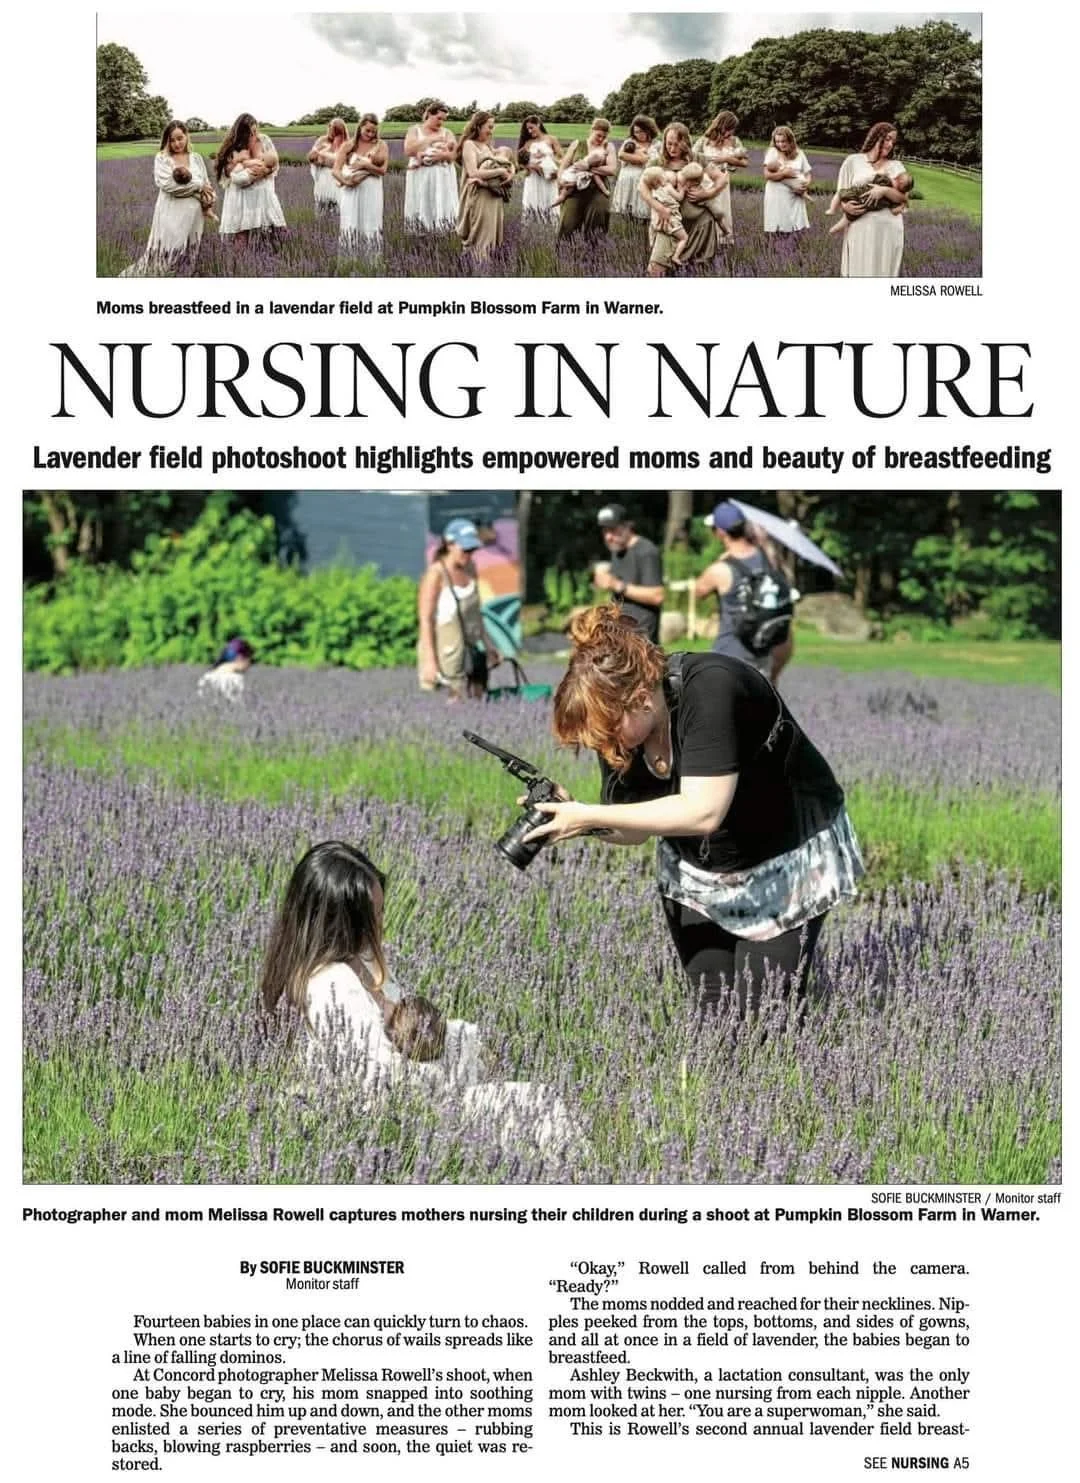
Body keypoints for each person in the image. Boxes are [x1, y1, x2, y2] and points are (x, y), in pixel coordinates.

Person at [523, 608, 864, 1020]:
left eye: (608, 733)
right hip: (698, 874)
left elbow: (704, 811)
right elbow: (631, 829)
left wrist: (587, 813)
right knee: (712, 1012)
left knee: (766, 1018)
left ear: (641, 699)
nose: (606, 748)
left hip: (783, 864)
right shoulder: (618, 734)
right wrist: (574, 818)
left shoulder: (712, 689)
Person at [261, 842, 579, 1154]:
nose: (381, 924)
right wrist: (461, 1066)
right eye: (374, 914)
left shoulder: (365, 961)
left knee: (535, 1104)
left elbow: (413, 1038)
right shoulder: (331, 984)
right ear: (342, 921)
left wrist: (474, 1043)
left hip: (424, 1105)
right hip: (390, 1126)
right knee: (538, 1105)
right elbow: (381, 1084)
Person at [694, 501, 795, 686]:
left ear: (721, 533)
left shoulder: (720, 569)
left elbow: (698, 591)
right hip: (763, 657)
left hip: (727, 659)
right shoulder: (770, 562)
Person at [417, 518, 500, 700]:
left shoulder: (471, 569)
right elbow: (426, 620)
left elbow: (475, 614)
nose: (469, 554)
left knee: (476, 703)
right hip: (445, 655)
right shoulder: (435, 575)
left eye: (472, 550)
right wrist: (429, 662)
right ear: (449, 544)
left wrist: (489, 645)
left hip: (470, 653)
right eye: (466, 549)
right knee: (449, 708)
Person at [120, 120, 216, 276]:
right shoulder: (162, 158)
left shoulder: (196, 158)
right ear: (167, 141)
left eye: (180, 138)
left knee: (189, 255)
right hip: (171, 213)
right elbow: (169, 186)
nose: (177, 143)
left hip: (194, 216)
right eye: (172, 140)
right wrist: (198, 187)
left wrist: (209, 199)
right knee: (167, 255)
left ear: (186, 136)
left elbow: (207, 183)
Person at [639, 123, 725, 276]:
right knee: (656, 268)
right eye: (669, 144)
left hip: (700, 223)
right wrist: (660, 209)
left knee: (698, 270)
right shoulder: (657, 163)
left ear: (685, 142)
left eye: (676, 144)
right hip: (670, 223)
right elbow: (642, 188)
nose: (672, 149)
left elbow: (721, 179)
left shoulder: (697, 158)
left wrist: (707, 194)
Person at [833, 122, 911, 278]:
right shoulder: (853, 161)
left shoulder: (897, 166)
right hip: (860, 227)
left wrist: (884, 190)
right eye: (887, 139)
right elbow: (842, 192)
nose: (890, 145)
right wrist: (845, 207)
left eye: (893, 142)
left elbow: (904, 199)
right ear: (876, 136)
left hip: (889, 229)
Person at [593, 504, 664, 644]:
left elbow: (657, 596)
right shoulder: (617, 550)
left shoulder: (646, 552)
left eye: (613, 530)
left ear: (628, 527)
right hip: (619, 638)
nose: (608, 537)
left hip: (642, 642)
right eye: (605, 531)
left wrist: (617, 585)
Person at [215, 113, 286, 240]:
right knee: (242, 235)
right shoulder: (233, 146)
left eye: (254, 131)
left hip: (263, 194)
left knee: (276, 232)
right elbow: (226, 173)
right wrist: (239, 162)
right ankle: (240, 260)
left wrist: (264, 171)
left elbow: (275, 163)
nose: (253, 135)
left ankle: (278, 256)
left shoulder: (264, 140)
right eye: (249, 133)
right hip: (241, 196)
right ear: (241, 133)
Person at [456, 112, 510, 260]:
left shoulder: (487, 146)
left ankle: (488, 268)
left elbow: (503, 164)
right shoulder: (469, 145)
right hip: (479, 196)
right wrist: (500, 171)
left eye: (493, 128)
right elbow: (473, 172)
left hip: (492, 195)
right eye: (489, 127)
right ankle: (476, 269)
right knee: (480, 236)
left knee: (492, 237)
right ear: (478, 126)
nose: (491, 131)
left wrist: (508, 174)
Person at [333, 113, 388, 255]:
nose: (370, 134)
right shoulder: (348, 145)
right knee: (350, 224)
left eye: (373, 132)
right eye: (367, 131)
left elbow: (382, 171)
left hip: (372, 191)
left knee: (371, 223)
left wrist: (365, 165)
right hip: (351, 191)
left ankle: (371, 264)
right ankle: (349, 263)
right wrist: (347, 181)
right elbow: (335, 171)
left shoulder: (381, 145)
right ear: (360, 127)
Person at [556, 118, 617, 239]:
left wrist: (588, 167)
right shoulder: (577, 144)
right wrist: (561, 181)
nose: (601, 139)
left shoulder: (608, 146)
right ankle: (566, 255)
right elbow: (562, 167)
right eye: (598, 135)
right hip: (574, 190)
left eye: (604, 137)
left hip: (597, 190)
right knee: (568, 224)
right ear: (592, 130)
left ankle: (594, 256)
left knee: (597, 224)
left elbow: (612, 170)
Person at [403, 102, 458, 231]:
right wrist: (431, 140)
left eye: (444, 119)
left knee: (441, 204)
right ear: (429, 114)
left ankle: (443, 234)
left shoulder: (447, 133)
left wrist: (441, 156)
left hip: (442, 177)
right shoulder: (414, 130)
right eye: (439, 118)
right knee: (422, 204)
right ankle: (422, 234)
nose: (441, 122)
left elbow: (454, 155)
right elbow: (409, 150)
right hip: (420, 176)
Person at [694, 110, 748, 241]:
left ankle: (722, 242)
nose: (731, 132)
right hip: (706, 182)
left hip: (723, 182)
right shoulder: (704, 140)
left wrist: (727, 158)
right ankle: (706, 242)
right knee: (707, 212)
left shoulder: (734, 141)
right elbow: (692, 157)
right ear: (722, 125)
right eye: (730, 129)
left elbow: (745, 162)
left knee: (722, 212)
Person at [762, 126, 812, 234]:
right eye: (777, 141)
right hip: (777, 196)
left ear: (790, 140)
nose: (780, 144)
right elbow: (766, 175)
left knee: (795, 228)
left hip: (796, 196)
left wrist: (805, 185)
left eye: (783, 141)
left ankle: (793, 249)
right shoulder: (773, 152)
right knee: (777, 227)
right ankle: (775, 249)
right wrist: (783, 174)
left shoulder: (800, 153)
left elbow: (807, 174)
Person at [637, 165, 690, 265]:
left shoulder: (653, 191)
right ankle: (676, 256)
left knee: (655, 234)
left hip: (656, 222)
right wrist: (682, 188)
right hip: (671, 221)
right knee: (684, 238)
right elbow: (679, 198)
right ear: (660, 179)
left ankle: (652, 246)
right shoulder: (668, 187)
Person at [611, 115, 657, 220]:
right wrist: (641, 159)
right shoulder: (630, 141)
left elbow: (653, 163)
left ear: (648, 130)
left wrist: (633, 157)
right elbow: (621, 155)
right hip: (627, 182)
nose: (639, 135)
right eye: (636, 132)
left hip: (644, 182)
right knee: (626, 213)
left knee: (643, 214)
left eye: (641, 131)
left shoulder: (655, 144)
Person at [517, 114, 563, 219]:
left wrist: (555, 169)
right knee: (532, 205)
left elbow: (562, 159)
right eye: (527, 129)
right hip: (533, 179)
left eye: (531, 128)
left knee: (550, 205)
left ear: (538, 124)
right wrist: (529, 166)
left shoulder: (551, 139)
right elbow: (520, 162)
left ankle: (550, 232)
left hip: (549, 179)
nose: (529, 131)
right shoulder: (528, 143)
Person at [308, 118, 348, 212]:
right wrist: (321, 157)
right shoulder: (322, 140)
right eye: (329, 127)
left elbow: (342, 163)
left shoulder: (346, 143)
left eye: (333, 129)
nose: (329, 131)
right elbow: (311, 157)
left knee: (338, 208)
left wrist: (324, 159)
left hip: (337, 181)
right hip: (323, 180)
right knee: (322, 207)